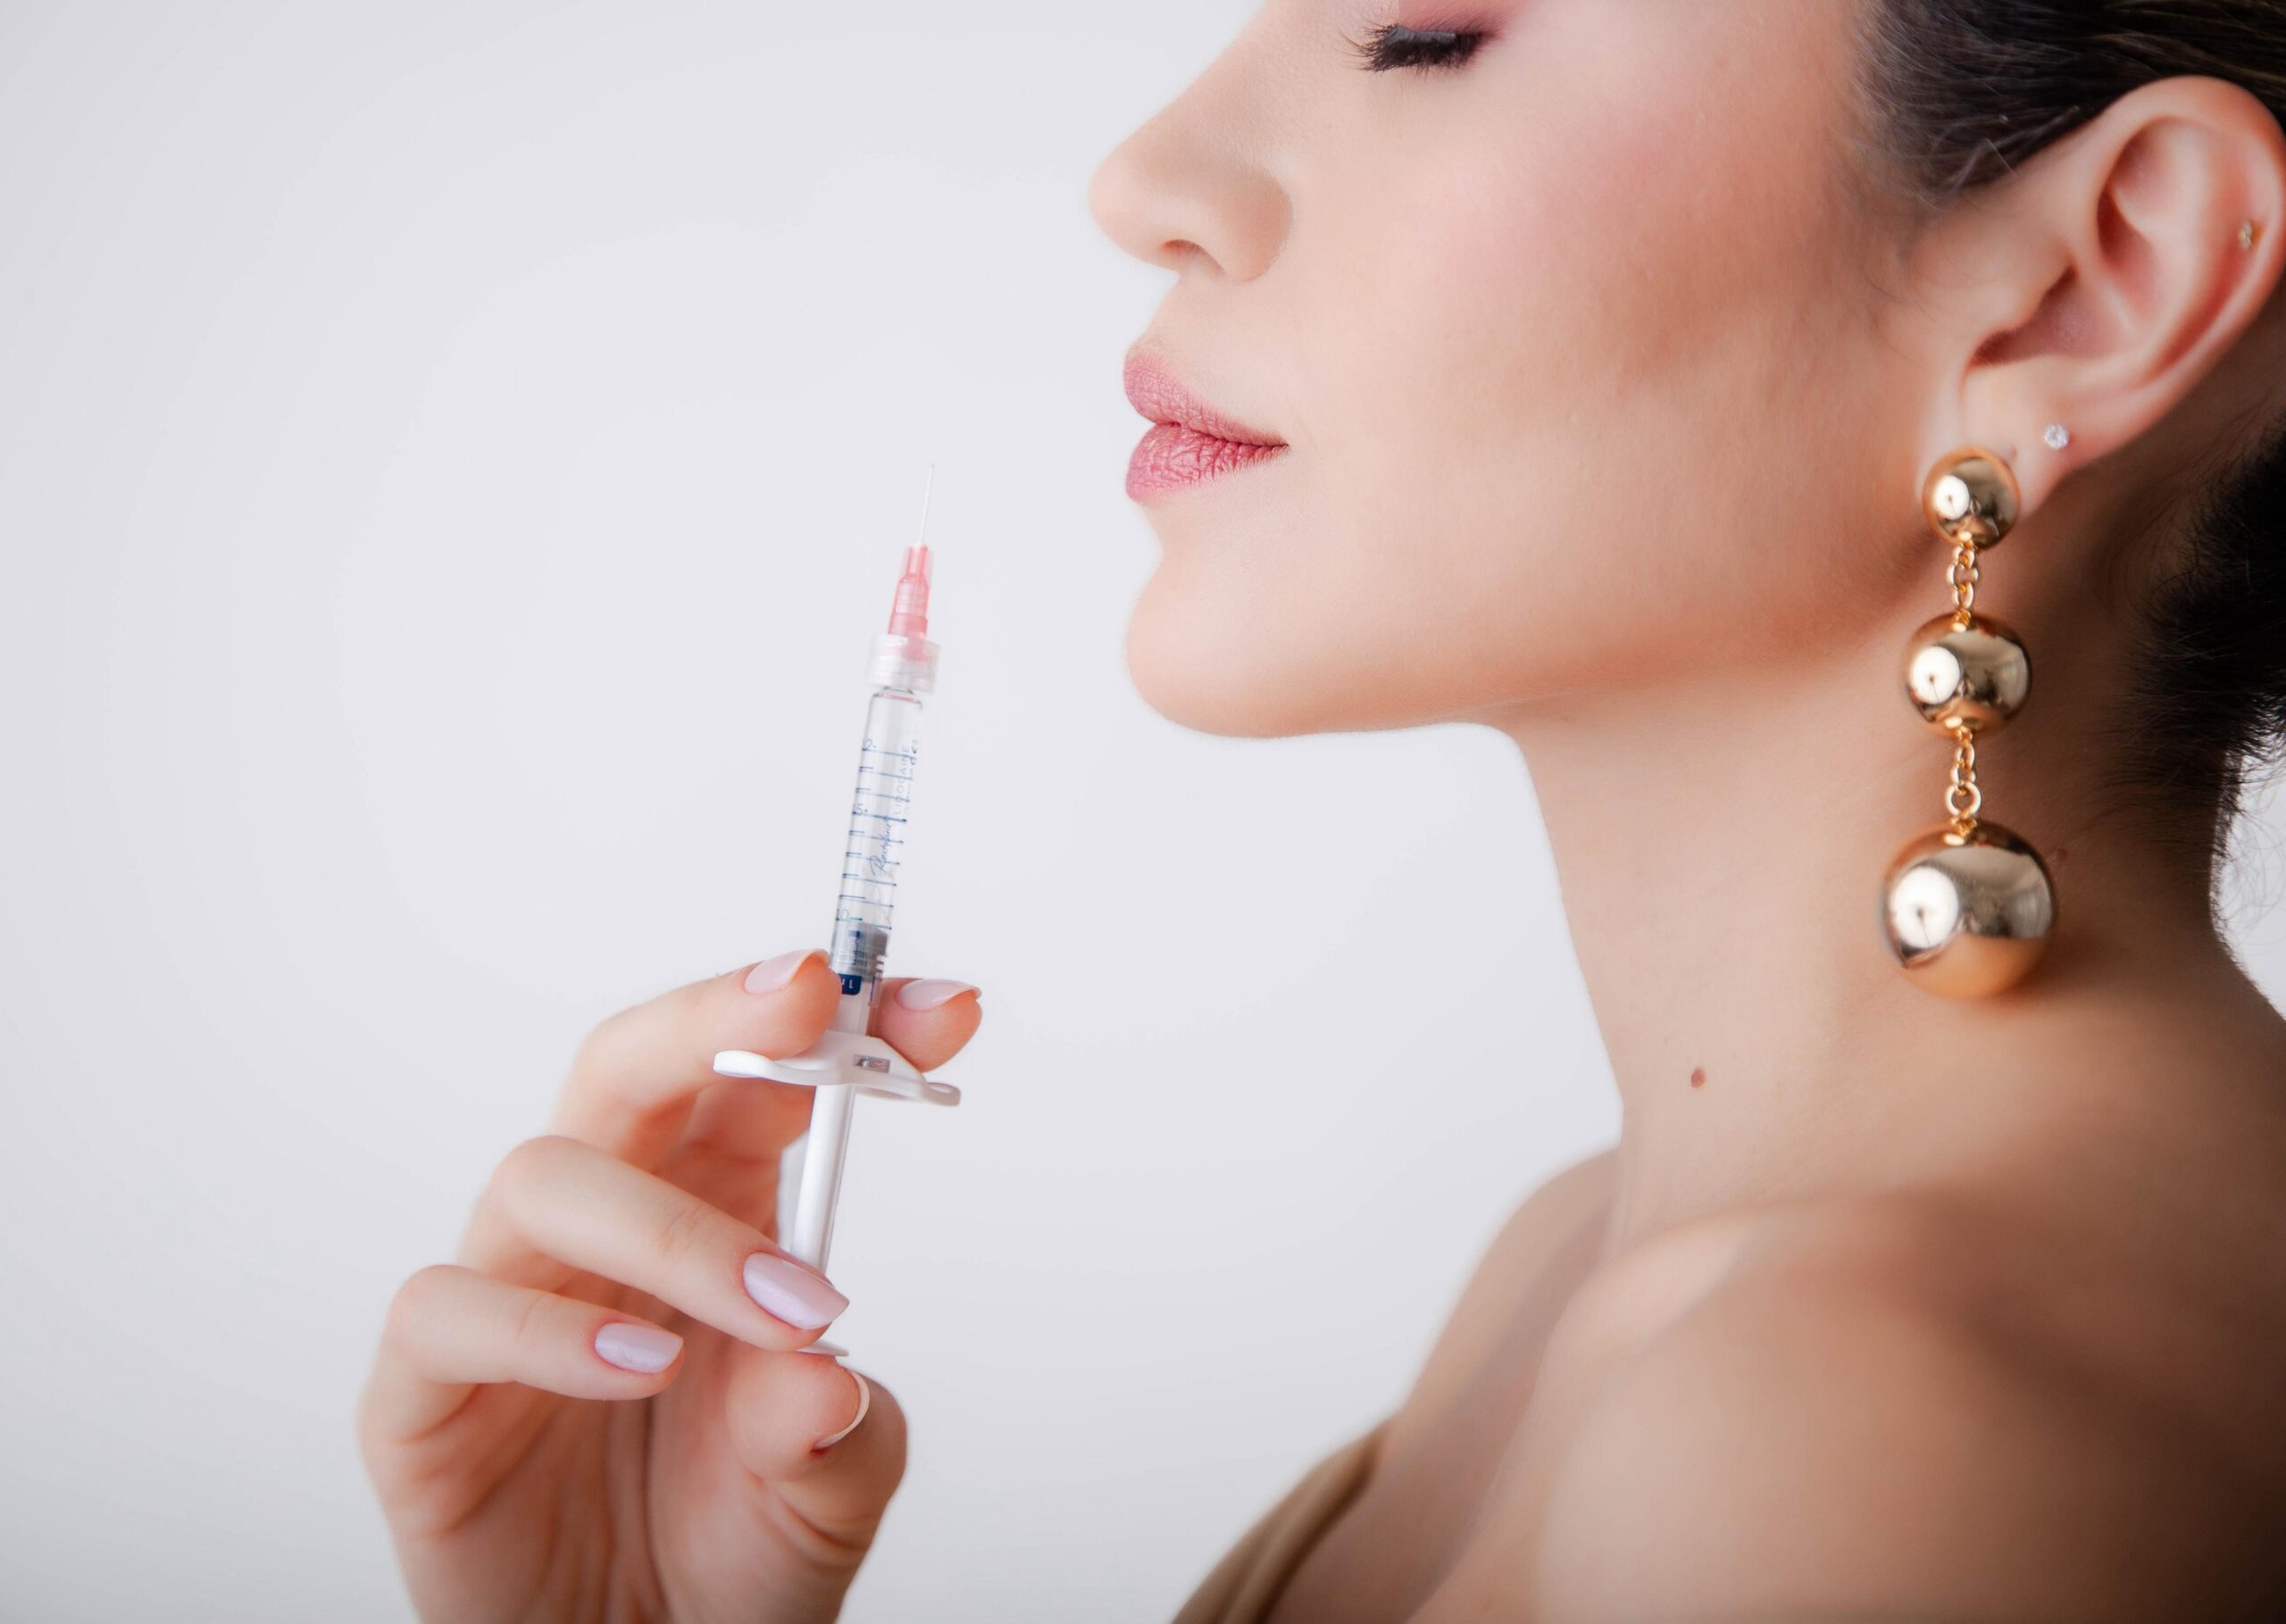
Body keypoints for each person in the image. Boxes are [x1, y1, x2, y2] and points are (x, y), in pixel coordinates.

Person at [359, 2, 2286, 1618]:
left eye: (1422, 33)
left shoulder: (1860, 1445)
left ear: (2096, 280)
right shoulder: (1579, 1265)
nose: (1145, 177)